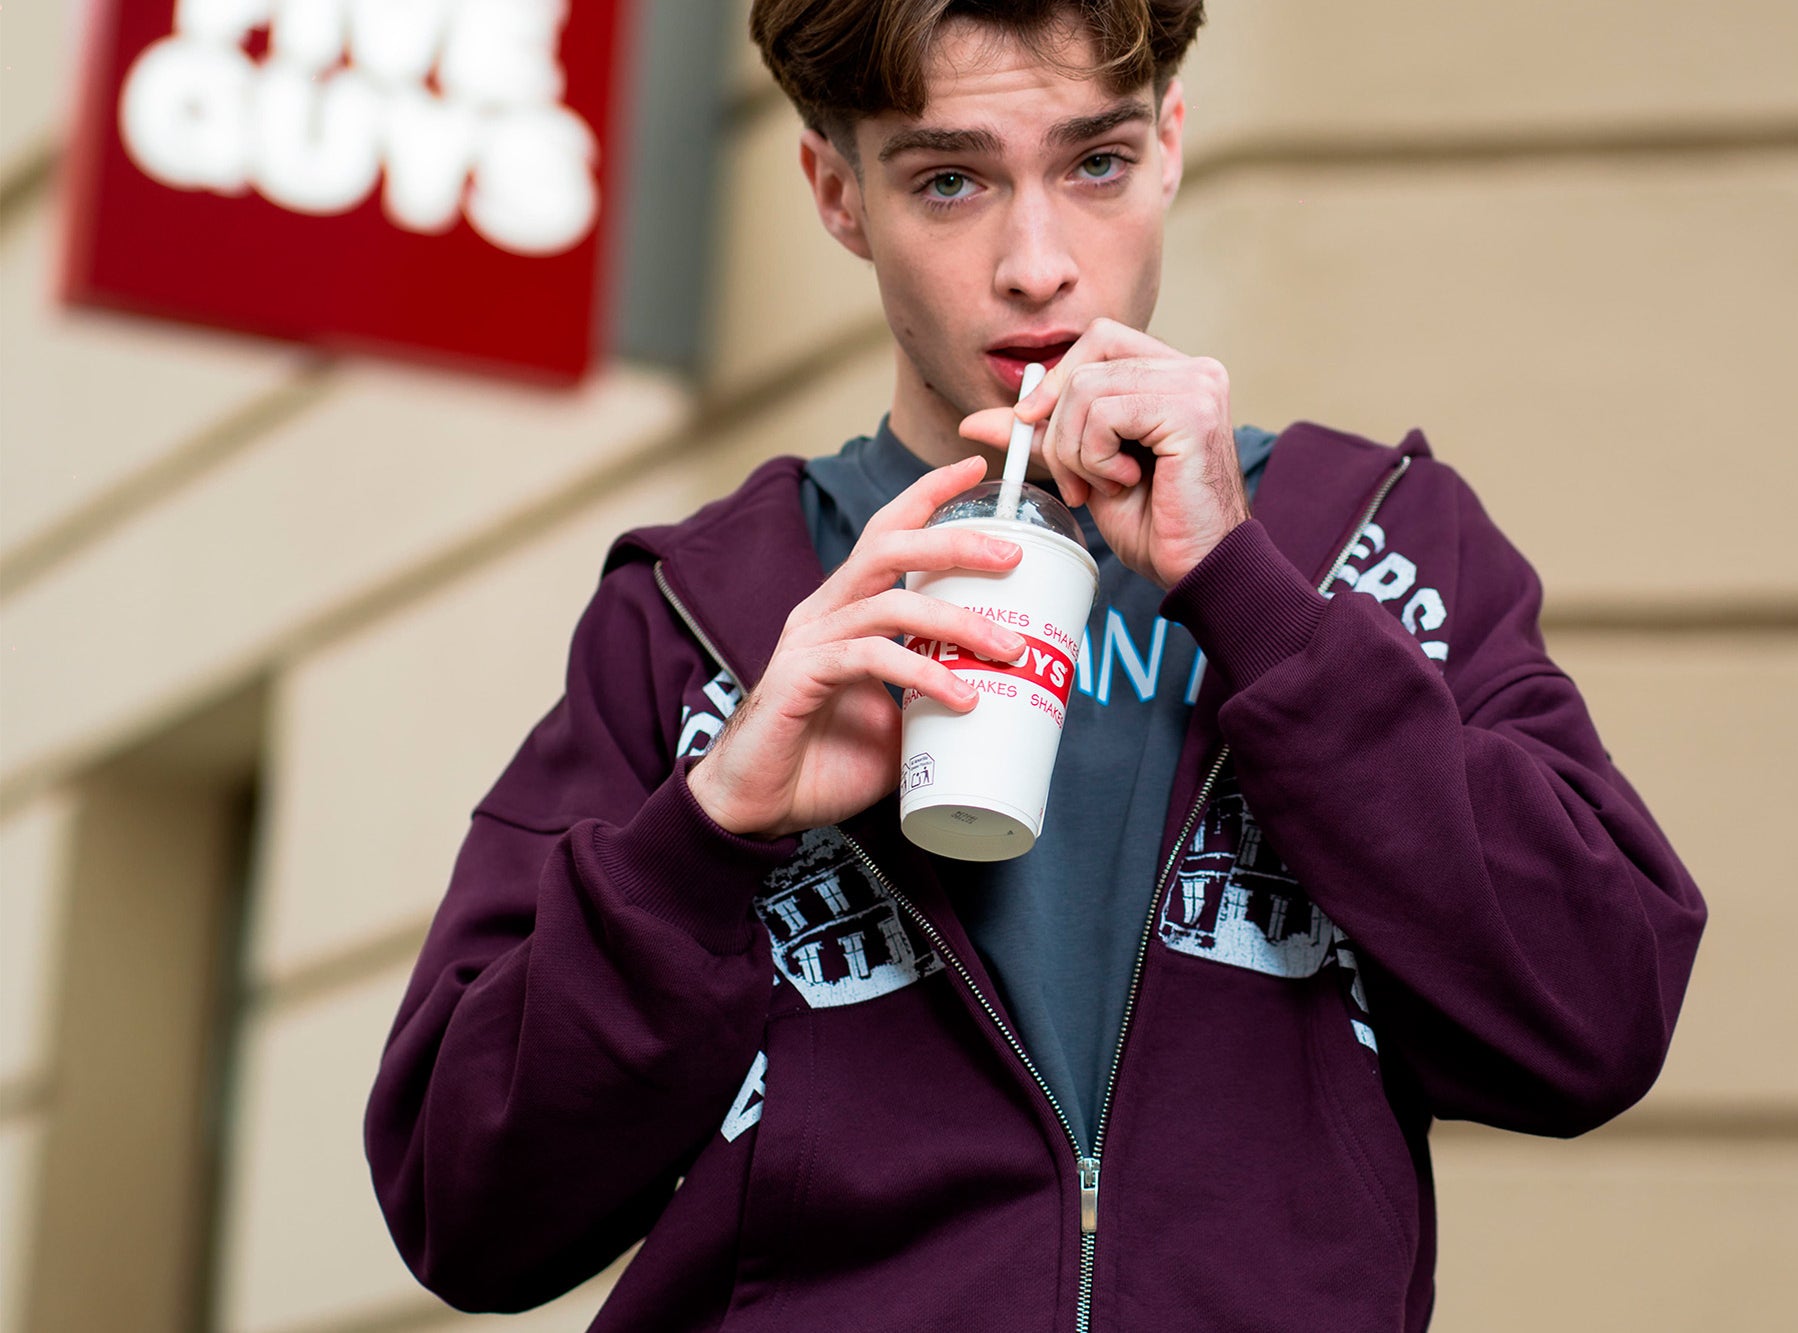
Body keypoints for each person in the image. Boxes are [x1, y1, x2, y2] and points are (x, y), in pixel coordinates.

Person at [365, 2, 1706, 1328]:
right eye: (949, 181)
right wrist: (707, 834)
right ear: (838, 193)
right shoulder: (704, 608)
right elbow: (464, 1209)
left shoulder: (1365, 546)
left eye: (1096, 163)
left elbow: (1594, 1023)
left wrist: (1250, 599)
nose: (1037, 265)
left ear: (1169, 147)